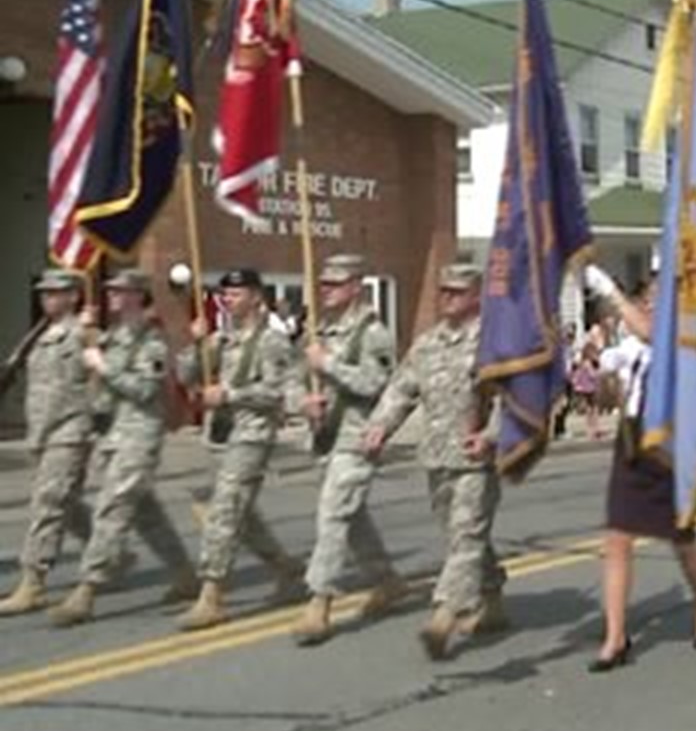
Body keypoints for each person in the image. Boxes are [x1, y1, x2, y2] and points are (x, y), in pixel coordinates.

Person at [2, 270, 192, 615]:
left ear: (138, 294)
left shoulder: (149, 341)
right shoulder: (110, 337)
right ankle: (183, 573)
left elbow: (144, 388)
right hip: (105, 435)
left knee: (105, 507)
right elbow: (99, 395)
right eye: (110, 289)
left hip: (129, 434)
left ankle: (83, 589)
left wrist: (101, 367)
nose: (112, 294)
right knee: (143, 512)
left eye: (120, 290)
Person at [360, 264, 511, 661]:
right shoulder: (426, 345)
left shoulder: (494, 344)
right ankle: (491, 595)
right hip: (436, 457)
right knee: (464, 536)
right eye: (443, 291)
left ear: (477, 296)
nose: (447, 297)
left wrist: (492, 435)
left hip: (476, 458)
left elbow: (514, 399)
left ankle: (443, 616)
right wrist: (380, 427)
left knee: (466, 535)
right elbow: (401, 390)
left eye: (457, 291)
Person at [577, 268, 696, 673]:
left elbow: (654, 335)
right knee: (617, 537)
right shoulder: (636, 346)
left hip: (673, 446)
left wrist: (607, 288)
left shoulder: (692, 339)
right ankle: (615, 637)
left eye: (661, 297)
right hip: (632, 441)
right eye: (648, 297)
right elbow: (609, 390)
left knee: (682, 539)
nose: (652, 303)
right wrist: (596, 363)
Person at [172, 268, 306, 630]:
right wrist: (196, 343)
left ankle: (211, 595)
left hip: (253, 434)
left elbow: (279, 393)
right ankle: (286, 569)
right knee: (242, 515)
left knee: (225, 510)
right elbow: (184, 375)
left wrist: (230, 395)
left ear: (256, 297)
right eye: (225, 294)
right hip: (221, 436)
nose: (228, 299)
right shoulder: (222, 340)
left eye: (236, 293)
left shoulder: (271, 342)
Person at [292, 254, 409, 647]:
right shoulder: (321, 329)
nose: (327, 289)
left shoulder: (374, 334)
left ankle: (319, 601)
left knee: (332, 514)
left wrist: (328, 365)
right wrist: (303, 402)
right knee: (351, 517)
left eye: (336, 283)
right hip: (327, 435)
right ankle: (387, 580)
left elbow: (377, 384)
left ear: (357, 286)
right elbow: (296, 379)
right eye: (324, 283)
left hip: (358, 439)